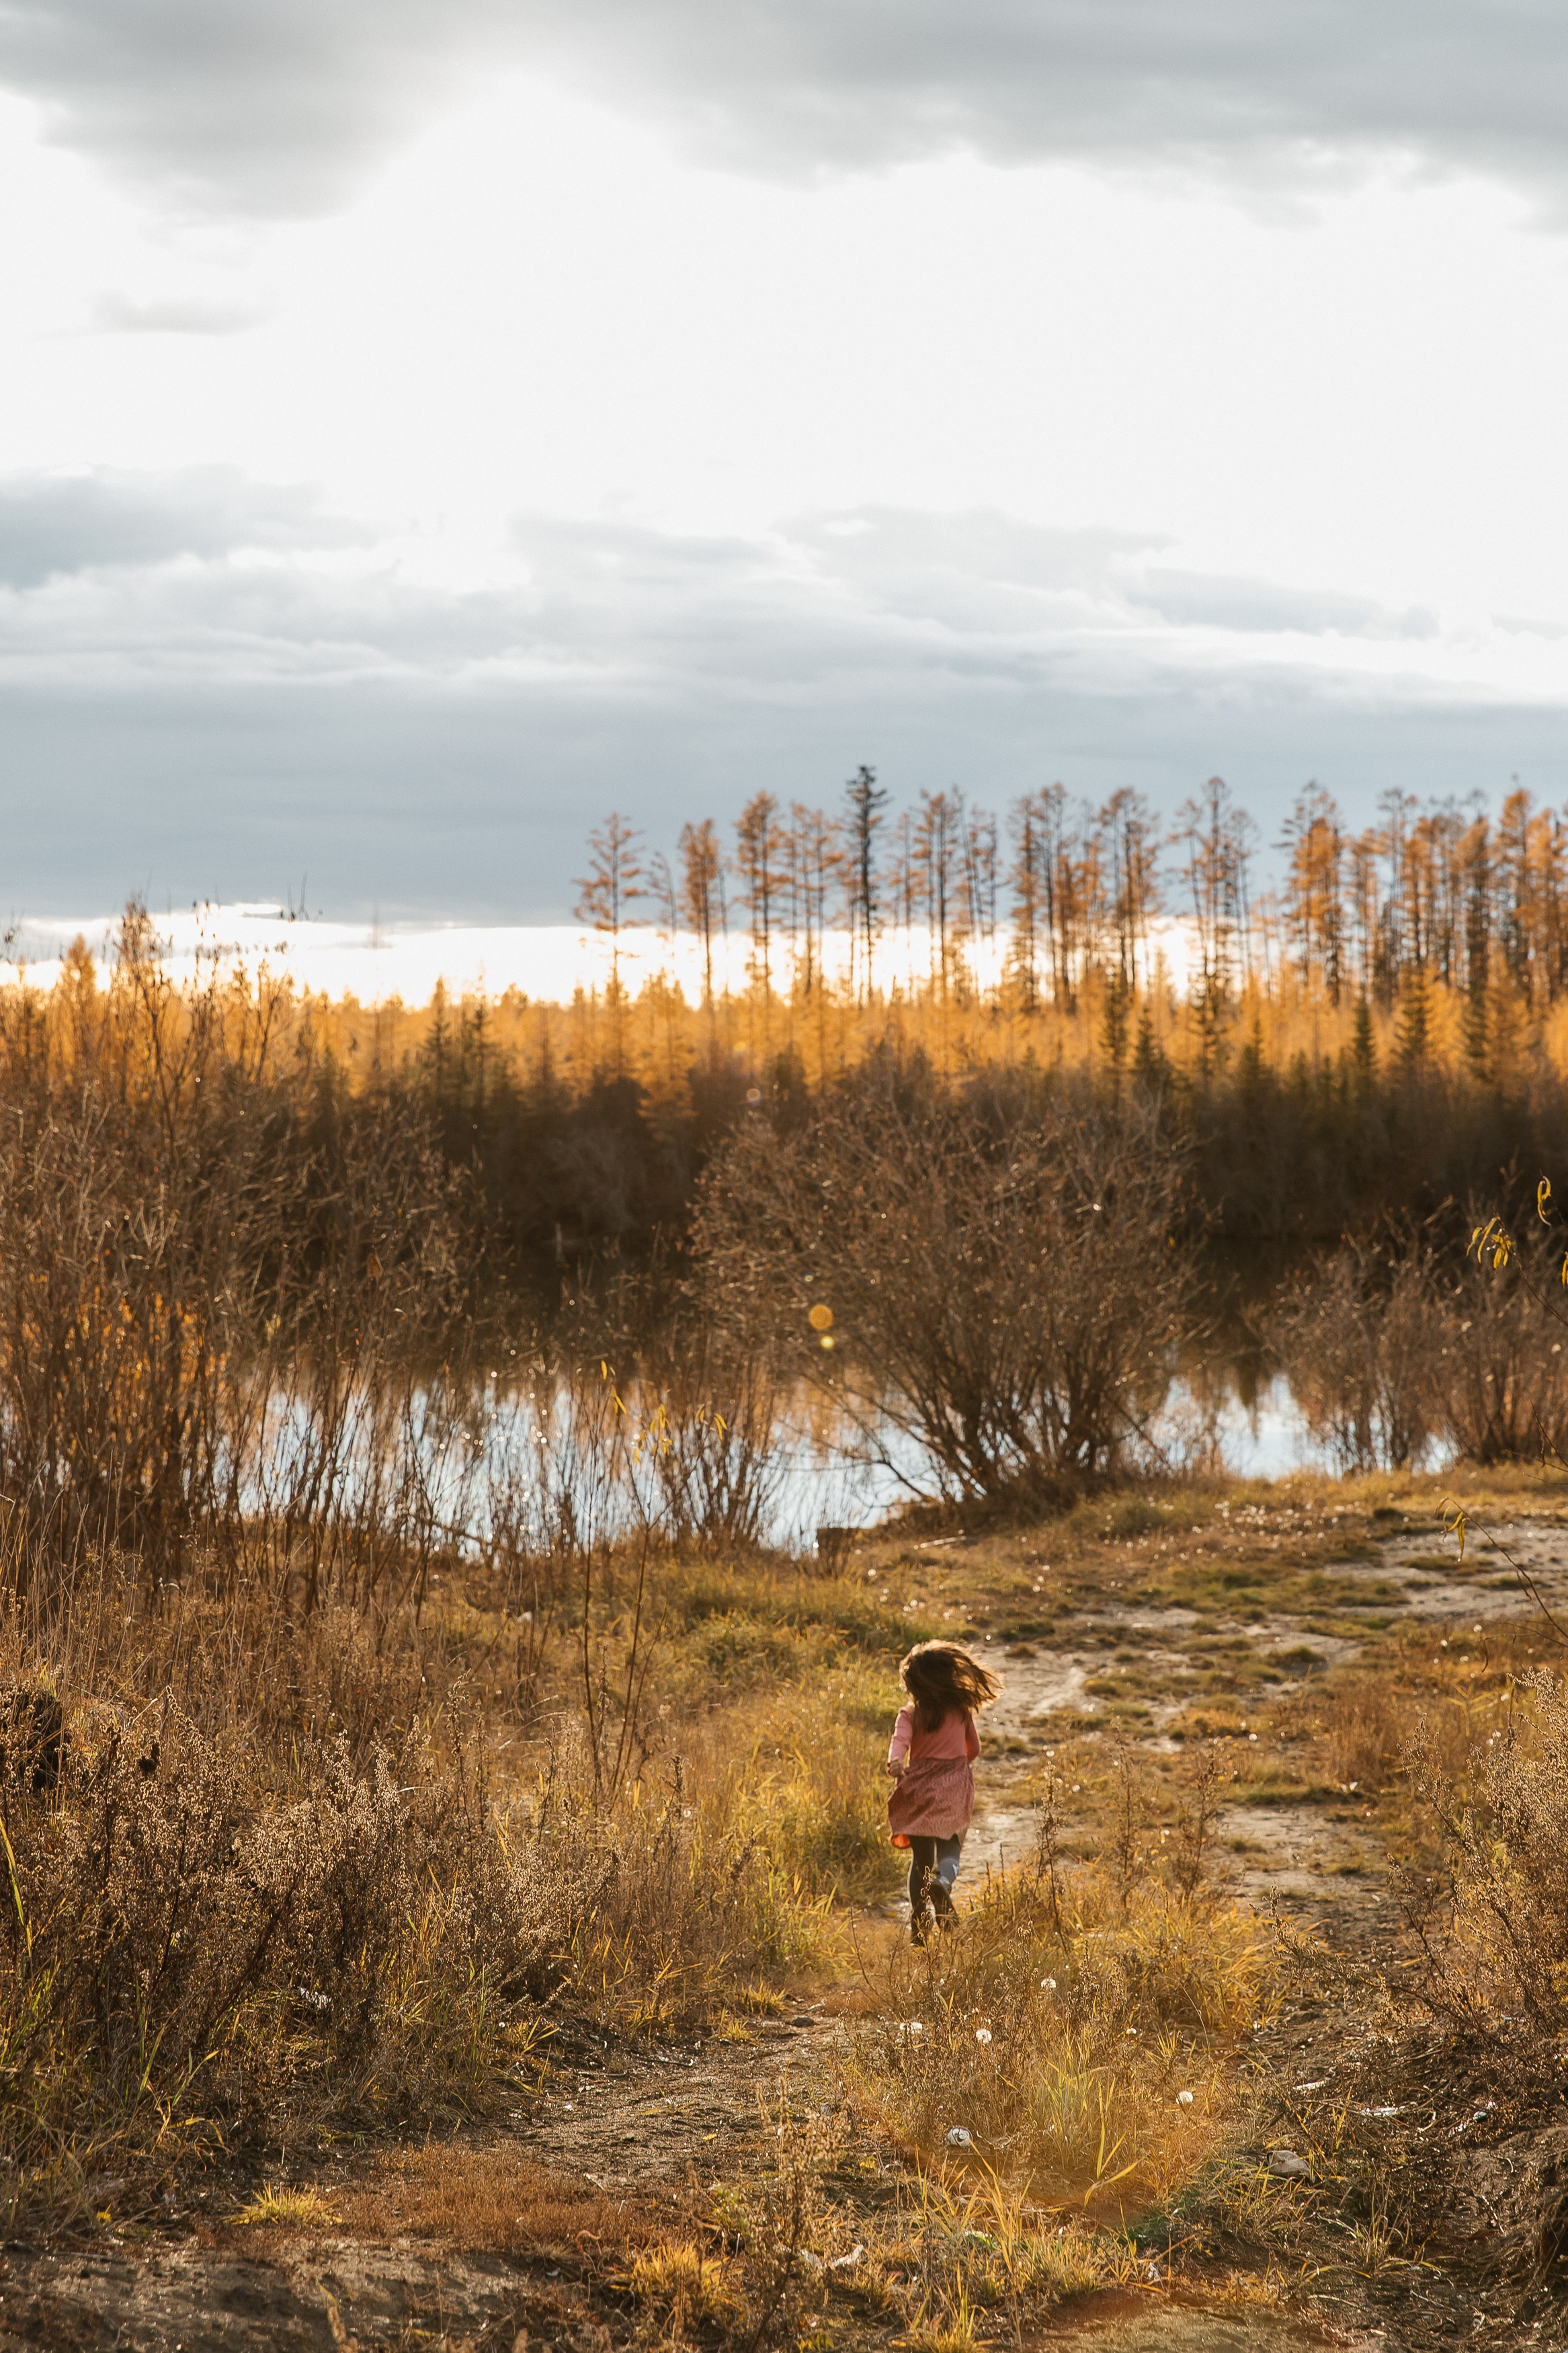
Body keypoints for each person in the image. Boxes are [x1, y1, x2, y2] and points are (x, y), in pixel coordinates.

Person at [884, 1639, 1001, 1944]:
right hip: (952, 1785)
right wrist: (957, 1768)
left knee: (921, 1859)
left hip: (919, 1786)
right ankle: (944, 1882)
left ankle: (919, 1919)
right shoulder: (960, 1711)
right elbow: (973, 1748)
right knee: (950, 1848)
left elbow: (900, 1742)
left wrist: (896, 1762)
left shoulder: (910, 1714)